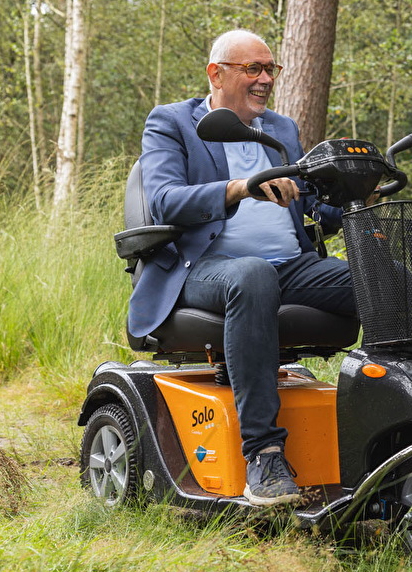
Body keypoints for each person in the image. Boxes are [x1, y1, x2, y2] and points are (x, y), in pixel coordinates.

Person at [128, 29, 359, 506]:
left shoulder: (282, 129)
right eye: (252, 68)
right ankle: (264, 456)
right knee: (252, 273)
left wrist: (360, 195)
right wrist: (239, 188)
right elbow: (165, 200)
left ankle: (385, 430)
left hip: (291, 266)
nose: (265, 79)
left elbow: (315, 207)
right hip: (203, 268)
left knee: (383, 277)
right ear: (216, 73)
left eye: (270, 69)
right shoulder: (172, 122)